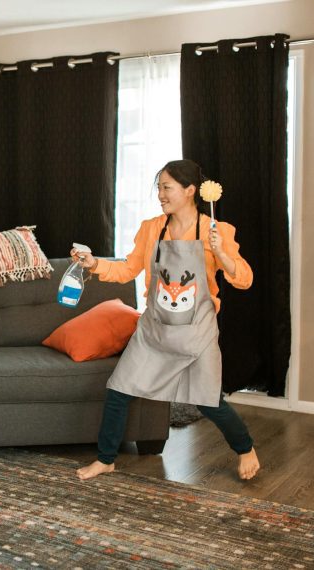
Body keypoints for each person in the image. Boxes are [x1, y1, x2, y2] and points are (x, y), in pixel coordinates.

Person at [72, 159, 261, 481]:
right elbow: (127, 271)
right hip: (154, 330)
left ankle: (245, 448)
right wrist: (93, 263)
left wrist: (223, 254)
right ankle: (105, 459)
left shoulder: (217, 231)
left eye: (166, 187)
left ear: (190, 191)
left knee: (208, 402)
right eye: (158, 187)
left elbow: (244, 279)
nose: (160, 194)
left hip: (196, 332)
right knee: (119, 390)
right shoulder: (151, 228)